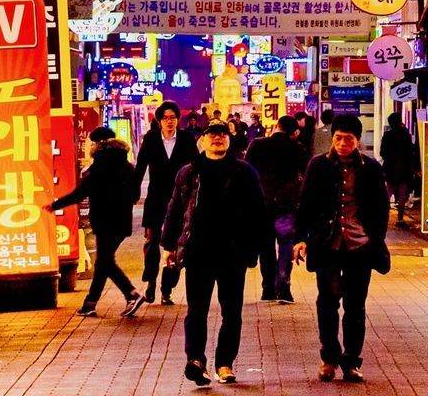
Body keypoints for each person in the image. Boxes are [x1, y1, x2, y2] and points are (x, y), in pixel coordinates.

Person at [160, 122, 268, 386]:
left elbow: (258, 212)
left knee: (232, 312)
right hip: (198, 251)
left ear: (229, 141)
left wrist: (254, 248)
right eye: (212, 135)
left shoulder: (244, 172)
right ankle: (196, 360)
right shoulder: (189, 172)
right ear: (203, 141)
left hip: (232, 253)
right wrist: (168, 246)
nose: (218, 138)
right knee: (196, 310)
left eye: (222, 135)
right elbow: (176, 209)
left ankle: (224, 363)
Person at [294, 113, 391, 383]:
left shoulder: (371, 168)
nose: (342, 143)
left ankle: (351, 361)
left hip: (359, 246)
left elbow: (381, 208)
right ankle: (329, 357)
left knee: (355, 305)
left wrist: (375, 238)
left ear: (358, 141)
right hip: (326, 244)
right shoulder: (318, 166)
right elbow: (305, 204)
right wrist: (300, 238)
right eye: (338, 138)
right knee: (326, 301)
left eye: (348, 139)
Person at [50, 125, 143, 316]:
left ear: (98, 144)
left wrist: (55, 205)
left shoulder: (98, 167)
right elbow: (135, 194)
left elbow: (80, 193)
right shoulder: (128, 166)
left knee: (105, 262)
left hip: (104, 221)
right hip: (123, 221)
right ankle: (90, 304)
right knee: (104, 261)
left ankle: (131, 293)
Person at [246, 114, 309, 303]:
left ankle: (268, 289)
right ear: (294, 132)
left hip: (261, 202)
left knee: (265, 246)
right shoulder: (297, 148)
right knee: (285, 244)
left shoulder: (257, 144)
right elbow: (305, 176)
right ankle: (284, 287)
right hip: (286, 204)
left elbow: (246, 171)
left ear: (276, 126)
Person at [136, 101, 193, 304]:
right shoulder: (151, 139)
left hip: (179, 199)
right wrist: (134, 192)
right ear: (159, 120)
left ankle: (166, 289)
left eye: (173, 117)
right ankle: (150, 282)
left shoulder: (186, 138)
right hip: (156, 197)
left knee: (177, 244)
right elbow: (141, 165)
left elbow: (195, 166)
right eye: (166, 118)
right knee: (151, 242)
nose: (170, 121)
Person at [380, 114, 419, 229]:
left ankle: (383, 217)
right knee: (403, 194)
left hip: (390, 168)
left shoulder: (387, 135)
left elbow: (383, 152)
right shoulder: (405, 135)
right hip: (404, 169)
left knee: (388, 193)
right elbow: (411, 152)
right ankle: (400, 218)